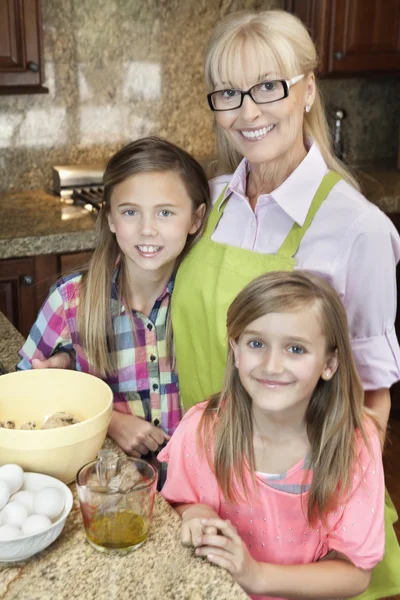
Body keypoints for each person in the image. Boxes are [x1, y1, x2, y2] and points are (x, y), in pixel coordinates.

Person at [160, 271, 385, 600]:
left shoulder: (354, 445)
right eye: (256, 344)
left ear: (330, 363)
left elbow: (354, 575)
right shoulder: (201, 429)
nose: (271, 365)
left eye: (295, 348)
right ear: (236, 351)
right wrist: (195, 514)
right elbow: (179, 502)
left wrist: (256, 575)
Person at [17, 136, 210, 460]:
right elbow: (24, 400)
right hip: (110, 486)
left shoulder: (209, 300)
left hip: (197, 487)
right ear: (110, 218)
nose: (147, 229)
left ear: (195, 218)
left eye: (165, 212)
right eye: (131, 211)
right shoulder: (69, 304)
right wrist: (107, 420)